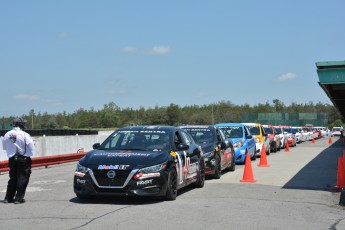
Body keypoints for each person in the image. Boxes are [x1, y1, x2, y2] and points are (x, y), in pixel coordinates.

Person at [2, 118, 35, 204]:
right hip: (23, 158)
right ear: (21, 125)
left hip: (12, 159)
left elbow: (5, 148)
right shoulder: (25, 135)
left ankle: (8, 198)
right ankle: (18, 198)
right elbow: (32, 149)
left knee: (12, 178)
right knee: (23, 178)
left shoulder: (6, 134)